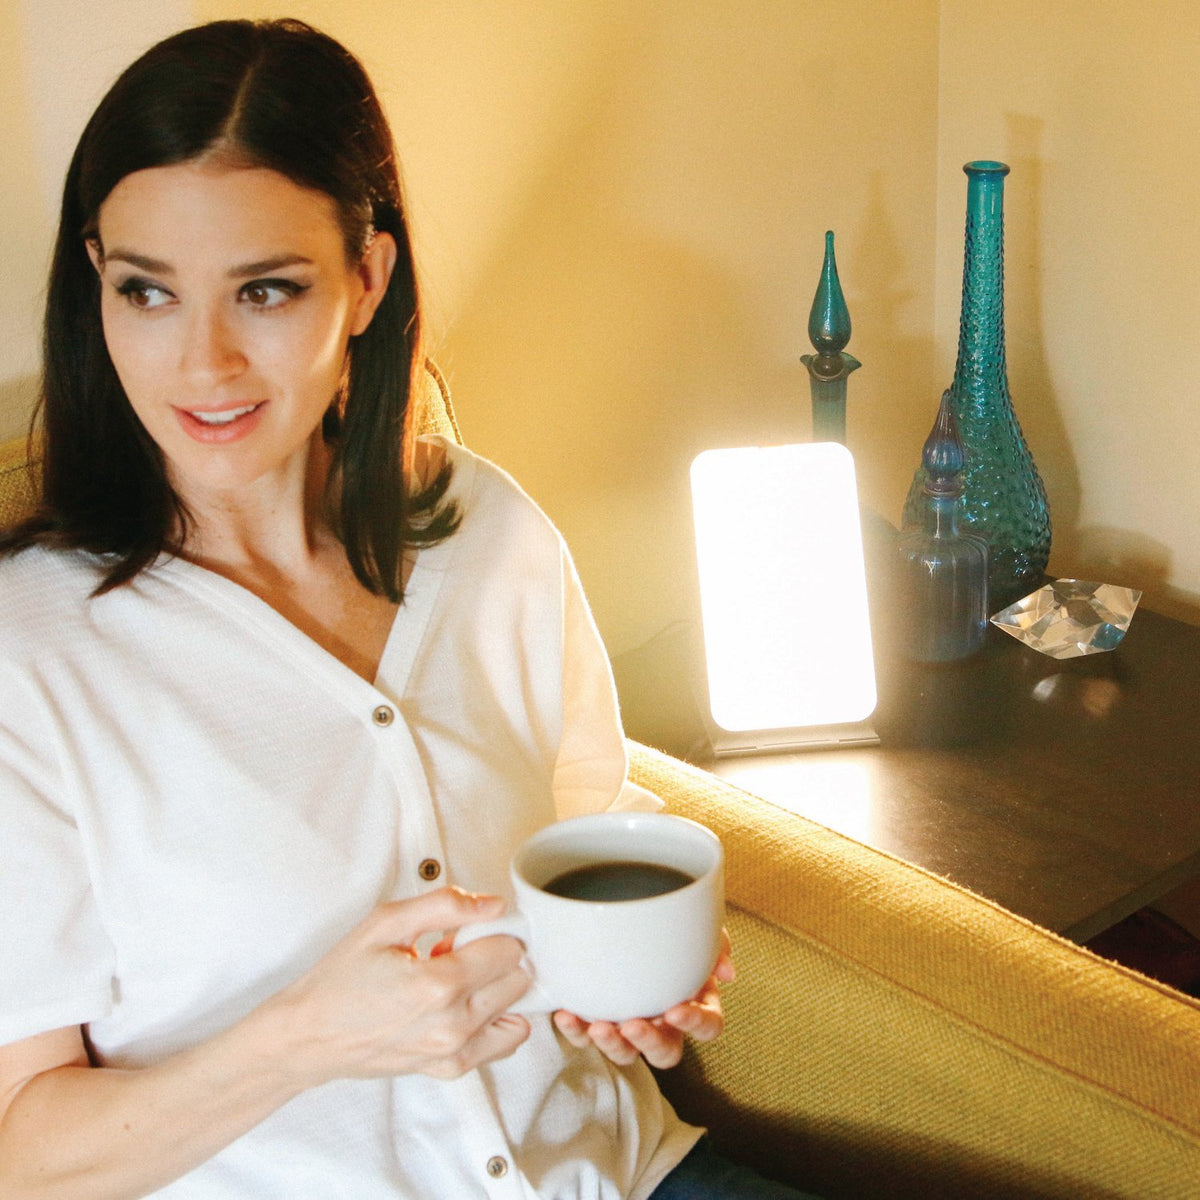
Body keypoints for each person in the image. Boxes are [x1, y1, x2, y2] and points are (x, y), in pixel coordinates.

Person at [0, 19, 817, 1199]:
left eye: (266, 291)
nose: (203, 363)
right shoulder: (32, 663)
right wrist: (304, 1038)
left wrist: (631, 988)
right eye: (147, 292)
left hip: (621, 1177)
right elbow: (23, 1154)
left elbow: (586, 837)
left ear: (367, 280)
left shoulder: (488, 535)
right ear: (99, 286)